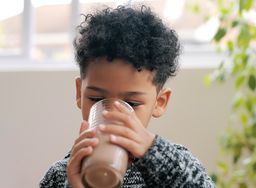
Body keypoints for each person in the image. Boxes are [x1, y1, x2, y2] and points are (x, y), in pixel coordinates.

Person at [39, 5, 215, 188]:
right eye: (97, 100)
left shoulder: (172, 168)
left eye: (130, 103)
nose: (112, 114)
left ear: (159, 102)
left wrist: (153, 151)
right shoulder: (61, 176)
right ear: (79, 93)